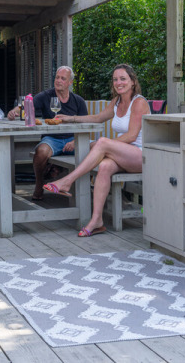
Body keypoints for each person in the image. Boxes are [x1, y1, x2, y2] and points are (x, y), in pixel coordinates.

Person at [43, 64, 149, 237]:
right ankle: (97, 220)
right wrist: (71, 118)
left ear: (132, 81)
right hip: (123, 155)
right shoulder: (117, 102)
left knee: (101, 143)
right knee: (105, 166)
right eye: (115, 79)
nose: (118, 83)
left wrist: (106, 145)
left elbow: (131, 136)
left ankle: (67, 181)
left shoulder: (139, 102)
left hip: (141, 155)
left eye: (123, 79)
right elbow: (98, 118)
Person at [7, 66, 88, 201]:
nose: (58, 80)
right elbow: (26, 106)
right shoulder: (45, 96)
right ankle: (39, 185)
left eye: (63, 78)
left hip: (73, 139)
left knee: (96, 147)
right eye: (57, 77)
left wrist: (75, 142)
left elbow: (86, 125)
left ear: (70, 82)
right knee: (41, 152)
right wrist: (13, 112)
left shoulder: (78, 100)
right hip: (52, 139)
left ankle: (88, 189)